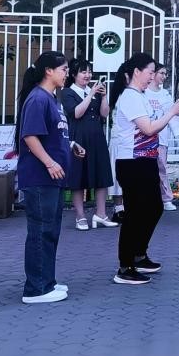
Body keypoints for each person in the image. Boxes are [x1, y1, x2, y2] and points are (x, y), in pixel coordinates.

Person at [15, 51, 85, 303]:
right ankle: (35, 289)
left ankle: (47, 281)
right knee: (41, 231)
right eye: (64, 69)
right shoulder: (38, 98)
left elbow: (52, 134)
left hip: (53, 178)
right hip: (40, 177)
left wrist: (71, 145)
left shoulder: (52, 99)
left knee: (50, 231)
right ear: (49, 71)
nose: (67, 74)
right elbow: (30, 136)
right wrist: (49, 162)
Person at [109, 53, 179, 285]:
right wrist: (171, 112)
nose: (153, 76)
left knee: (154, 208)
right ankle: (125, 266)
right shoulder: (130, 96)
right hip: (132, 162)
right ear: (136, 72)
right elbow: (148, 128)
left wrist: (171, 112)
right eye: (150, 72)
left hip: (146, 159)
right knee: (135, 213)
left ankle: (139, 254)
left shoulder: (140, 96)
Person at [60, 58, 117, 230]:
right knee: (78, 177)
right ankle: (80, 216)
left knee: (101, 176)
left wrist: (104, 96)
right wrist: (91, 94)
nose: (88, 75)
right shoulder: (67, 92)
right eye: (83, 72)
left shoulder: (94, 91)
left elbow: (104, 114)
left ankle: (101, 214)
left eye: (89, 72)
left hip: (97, 137)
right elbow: (76, 113)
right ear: (74, 74)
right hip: (79, 138)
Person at [146, 64, 179, 211]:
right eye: (161, 73)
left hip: (161, 137)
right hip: (145, 136)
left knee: (161, 167)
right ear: (153, 74)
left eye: (165, 74)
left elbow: (172, 113)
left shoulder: (165, 94)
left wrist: (178, 107)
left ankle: (166, 199)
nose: (164, 76)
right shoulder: (144, 92)